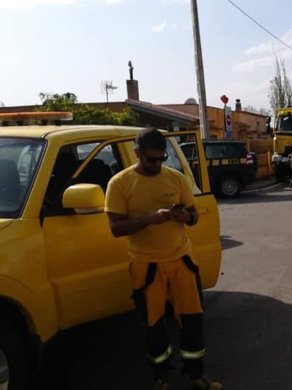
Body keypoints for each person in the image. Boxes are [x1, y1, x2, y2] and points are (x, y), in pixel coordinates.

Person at [104, 128, 222, 390]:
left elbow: (194, 215)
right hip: (146, 266)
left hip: (181, 260)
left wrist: (185, 217)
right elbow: (115, 228)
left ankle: (196, 375)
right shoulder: (120, 183)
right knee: (153, 326)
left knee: (192, 322)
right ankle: (161, 377)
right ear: (137, 154)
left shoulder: (176, 178)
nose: (157, 164)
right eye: (151, 160)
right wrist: (149, 219)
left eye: (161, 158)